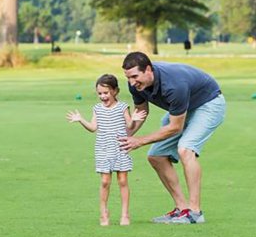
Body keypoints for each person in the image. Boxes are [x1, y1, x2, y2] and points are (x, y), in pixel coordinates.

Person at [119, 52, 225, 224]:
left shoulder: (174, 85)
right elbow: (141, 112)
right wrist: (125, 136)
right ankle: (182, 209)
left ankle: (195, 213)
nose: (131, 82)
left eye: (135, 76)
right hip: (184, 108)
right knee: (156, 156)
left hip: (208, 104)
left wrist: (139, 140)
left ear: (148, 69)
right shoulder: (135, 85)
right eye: (128, 77)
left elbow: (176, 127)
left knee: (186, 149)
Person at [66, 74, 146, 226]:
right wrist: (81, 120)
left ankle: (125, 214)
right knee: (104, 182)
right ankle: (103, 213)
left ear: (115, 91)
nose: (103, 96)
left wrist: (134, 118)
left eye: (106, 93)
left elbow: (129, 126)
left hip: (120, 148)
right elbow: (93, 128)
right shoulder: (97, 108)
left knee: (122, 181)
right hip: (103, 148)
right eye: (100, 93)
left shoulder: (123, 107)